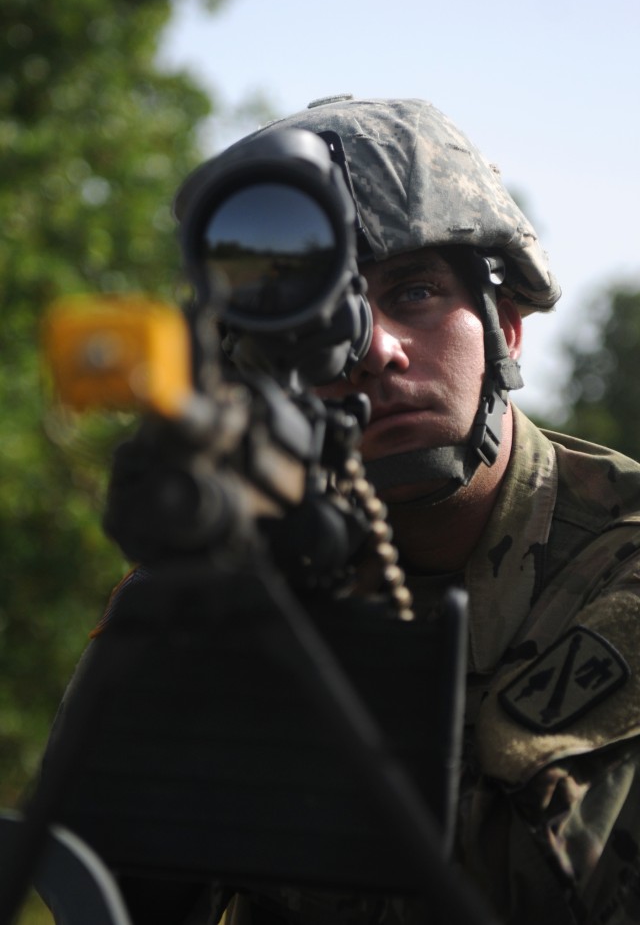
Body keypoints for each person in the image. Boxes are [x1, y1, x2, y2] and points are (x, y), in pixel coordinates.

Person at [44, 96, 640, 925]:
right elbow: (107, 896)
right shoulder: (229, 589)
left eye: (418, 291)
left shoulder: (626, 563)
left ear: (505, 327)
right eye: (320, 319)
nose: (376, 351)